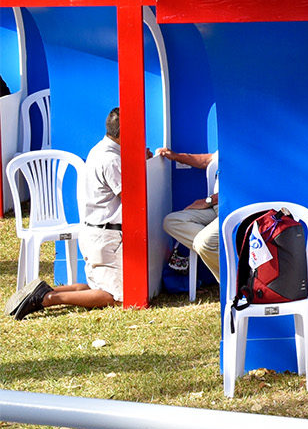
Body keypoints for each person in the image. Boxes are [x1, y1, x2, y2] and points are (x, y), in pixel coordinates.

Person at [9, 109, 129, 319]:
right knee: (115, 296)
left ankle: (45, 291)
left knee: (96, 286)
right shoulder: (111, 160)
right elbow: (130, 196)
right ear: (123, 134)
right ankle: (48, 299)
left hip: (95, 233)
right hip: (106, 237)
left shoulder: (99, 150)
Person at [158, 146, 220, 281]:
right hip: (214, 209)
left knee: (204, 242)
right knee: (172, 221)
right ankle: (227, 254)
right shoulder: (229, 144)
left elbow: (244, 191)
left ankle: (236, 283)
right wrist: (175, 156)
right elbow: (207, 161)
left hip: (229, 210)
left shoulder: (249, 149)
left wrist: (208, 201)